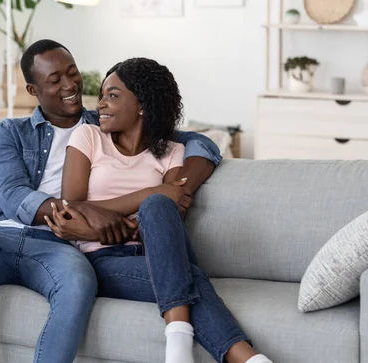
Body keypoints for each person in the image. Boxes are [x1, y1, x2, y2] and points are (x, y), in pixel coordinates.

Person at [0, 39, 221, 363]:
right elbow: (13, 196)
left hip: (59, 247)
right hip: (2, 235)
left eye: (73, 73)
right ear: (32, 89)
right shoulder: (11, 132)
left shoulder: (104, 123)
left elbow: (197, 141)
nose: (70, 86)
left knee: (80, 281)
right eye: (55, 80)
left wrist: (178, 188)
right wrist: (83, 213)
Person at [44, 58, 273, 363]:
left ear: (142, 105)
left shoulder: (173, 151)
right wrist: (152, 192)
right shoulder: (88, 137)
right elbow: (69, 209)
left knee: (158, 206)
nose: (100, 104)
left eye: (113, 95)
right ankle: (245, 359)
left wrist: (107, 214)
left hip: (154, 251)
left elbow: (166, 214)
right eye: (101, 95)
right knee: (187, 273)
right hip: (102, 259)